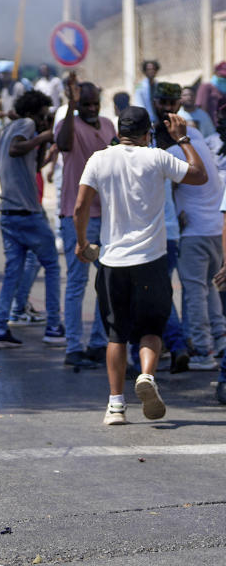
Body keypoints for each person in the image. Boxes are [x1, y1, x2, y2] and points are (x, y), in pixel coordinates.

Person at [75, 108, 205, 425]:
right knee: (151, 330)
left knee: (117, 336)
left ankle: (115, 406)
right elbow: (199, 175)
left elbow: (80, 206)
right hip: (151, 260)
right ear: (147, 134)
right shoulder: (156, 157)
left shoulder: (99, 159)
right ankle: (146, 376)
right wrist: (183, 138)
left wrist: (81, 243)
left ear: (119, 131)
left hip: (112, 261)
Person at [153, 82, 226, 371]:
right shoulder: (195, 133)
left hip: (194, 232)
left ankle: (202, 351)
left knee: (195, 293)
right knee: (210, 290)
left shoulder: (172, 150)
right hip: (213, 228)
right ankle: (220, 344)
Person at [0, 91, 64, 349]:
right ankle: (54, 326)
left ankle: (0, 329)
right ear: (34, 112)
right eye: (43, 115)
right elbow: (16, 148)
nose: (45, 121)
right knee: (52, 266)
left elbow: (33, 164)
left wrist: (44, 143)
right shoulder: (26, 125)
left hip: (9, 214)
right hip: (27, 214)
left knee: (13, 272)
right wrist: (43, 135)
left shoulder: (12, 127)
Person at [54, 77, 115, 368]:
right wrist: (71, 106)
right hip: (76, 215)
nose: (91, 109)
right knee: (77, 283)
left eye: (94, 103)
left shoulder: (108, 124)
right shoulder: (69, 124)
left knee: (106, 283)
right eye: (85, 104)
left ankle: (99, 342)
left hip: (108, 217)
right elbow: (63, 143)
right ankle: (73, 347)